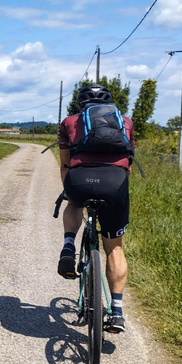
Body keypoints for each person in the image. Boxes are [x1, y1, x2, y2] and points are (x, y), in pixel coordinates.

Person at [57, 84, 134, 333]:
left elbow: (65, 165)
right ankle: (117, 312)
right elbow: (128, 165)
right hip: (115, 183)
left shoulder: (69, 122)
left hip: (80, 181)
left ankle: (69, 245)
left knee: (73, 202)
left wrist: (69, 191)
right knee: (115, 248)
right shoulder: (125, 122)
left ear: (80, 106)